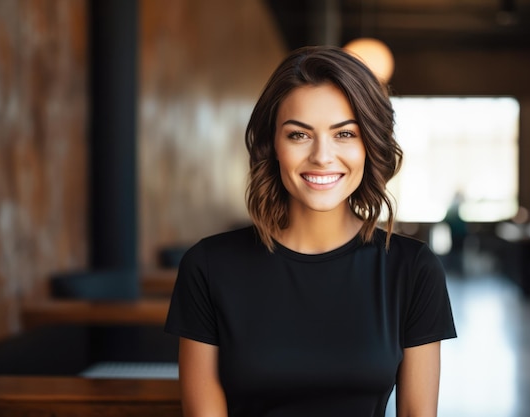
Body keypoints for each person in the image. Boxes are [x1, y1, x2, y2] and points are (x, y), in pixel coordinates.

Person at [164, 45, 457, 417]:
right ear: (273, 145)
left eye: (345, 134)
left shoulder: (413, 270)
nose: (322, 155)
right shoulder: (207, 266)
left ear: (370, 144)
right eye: (299, 135)